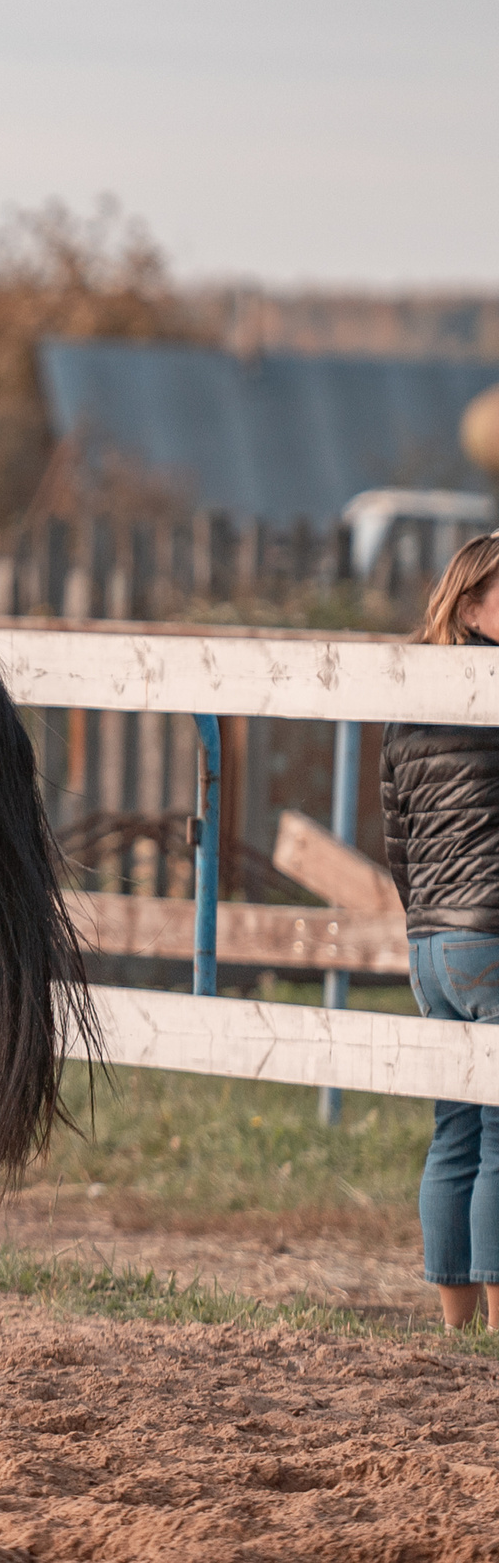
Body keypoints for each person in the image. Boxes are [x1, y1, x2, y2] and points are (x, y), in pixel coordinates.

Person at [384, 531, 499, 1332]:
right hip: (491, 935)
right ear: (471, 606)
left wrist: (424, 919)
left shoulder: (406, 698)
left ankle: (458, 1328)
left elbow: (397, 834)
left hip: (431, 943)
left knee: (454, 1133)